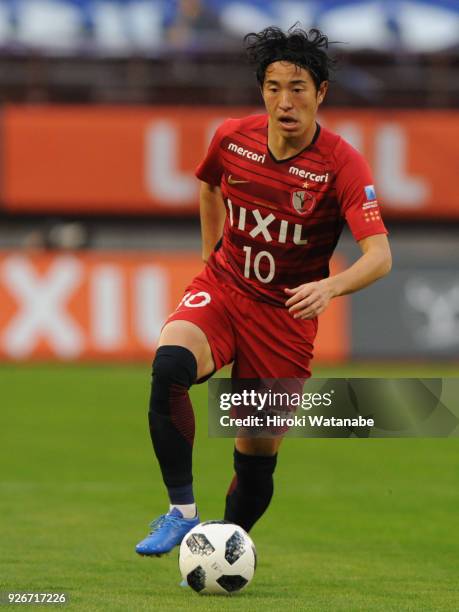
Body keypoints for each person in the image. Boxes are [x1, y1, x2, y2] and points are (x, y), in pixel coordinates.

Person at [135, 25, 391, 556]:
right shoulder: (233, 137)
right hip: (226, 290)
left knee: (253, 459)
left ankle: (227, 546)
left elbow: (380, 256)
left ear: (321, 94)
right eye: (273, 87)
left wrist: (330, 287)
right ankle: (181, 511)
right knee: (169, 368)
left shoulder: (343, 164)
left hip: (285, 320)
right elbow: (208, 185)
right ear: (261, 93)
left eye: (298, 88)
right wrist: (211, 254)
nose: (284, 101)